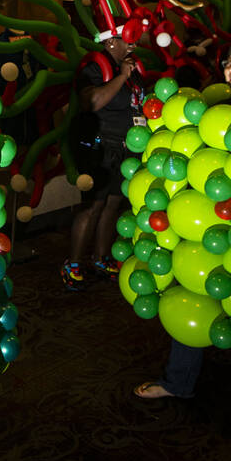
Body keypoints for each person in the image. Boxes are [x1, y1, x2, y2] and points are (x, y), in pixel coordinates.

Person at [134, 39, 231, 408]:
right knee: (195, 291)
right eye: (229, 63)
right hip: (209, 222)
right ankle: (178, 381)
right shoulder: (214, 109)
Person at [62, 32, 145, 291]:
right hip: (100, 146)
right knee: (93, 206)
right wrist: (121, 76)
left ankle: (100, 258)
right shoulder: (94, 65)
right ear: (111, 42)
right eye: (128, 40)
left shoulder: (133, 67)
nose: (133, 45)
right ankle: (73, 263)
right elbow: (93, 101)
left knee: (113, 204)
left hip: (126, 145)